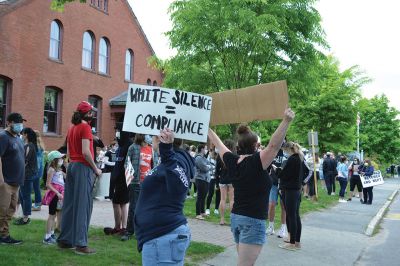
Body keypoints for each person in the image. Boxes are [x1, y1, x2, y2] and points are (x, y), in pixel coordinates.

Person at [208, 108, 295, 265]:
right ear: (255, 145)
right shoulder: (257, 162)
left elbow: (218, 144)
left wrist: (206, 127)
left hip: (237, 218)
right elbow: (274, 146)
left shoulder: (233, 161)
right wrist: (286, 121)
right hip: (252, 221)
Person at [135, 128, 195, 266]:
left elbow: (179, 187)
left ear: (160, 137)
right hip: (160, 237)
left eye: (153, 135)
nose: (150, 138)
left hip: (163, 237)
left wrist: (166, 151)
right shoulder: (171, 160)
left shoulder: (176, 159)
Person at [57, 101, 102, 255]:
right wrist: (96, 169)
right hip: (83, 167)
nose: (93, 114)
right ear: (86, 113)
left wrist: (70, 165)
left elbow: (69, 151)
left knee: (70, 204)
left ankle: (65, 240)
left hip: (73, 166)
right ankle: (81, 245)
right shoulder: (85, 127)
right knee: (84, 205)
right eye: (91, 112)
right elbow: (86, 152)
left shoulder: (72, 128)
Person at [122, 133, 158, 241]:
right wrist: (131, 176)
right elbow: (126, 164)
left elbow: (155, 164)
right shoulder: (133, 148)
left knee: (147, 208)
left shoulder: (152, 149)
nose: (149, 137)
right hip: (136, 183)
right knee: (133, 207)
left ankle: (144, 231)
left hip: (148, 184)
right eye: (147, 135)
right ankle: (129, 232)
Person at [0, 113, 25, 244]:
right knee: (2, 210)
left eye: (21, 122)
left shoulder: (18, 138)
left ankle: (4, 235)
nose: (20, 124)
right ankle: (2, 236)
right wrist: (1, 180)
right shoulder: (3, 137)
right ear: (9, 122)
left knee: (10, 211)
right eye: (17, 122)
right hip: (6, 182)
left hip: (16, 182)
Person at [278, 141, 308, 251]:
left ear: (288, 149)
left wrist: (276, 170)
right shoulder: (300, 158)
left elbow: (283, 174)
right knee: (295, 215)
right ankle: (297, 242)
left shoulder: (292, 159)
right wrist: (301, 183)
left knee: (291, 216)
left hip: (290, 190)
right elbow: (305, 172)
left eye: (284, 151)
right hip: (296, 189)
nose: (284, 153)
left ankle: (292, 243)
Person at [104, 130, 133, 236]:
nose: (116, 139)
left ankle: (118, 227)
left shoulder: (128, 145)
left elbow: (127, 164)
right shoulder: (122, 146)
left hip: (124, 179)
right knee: (123, 203)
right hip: (120, 178)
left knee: (117, 202)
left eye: (118, 136)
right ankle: (123, 227)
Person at [15, 128, 38, 225]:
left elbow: (24, 161)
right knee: (22, 195)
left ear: (26, 135)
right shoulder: (30, 145)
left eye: (22, 134)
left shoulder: (29, 146)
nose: (21, 136)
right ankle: (25, 216)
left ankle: (25, 218)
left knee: (25, 196)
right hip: (26, 174)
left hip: (27, 175)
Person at [42, 151, 66, 244]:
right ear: (54, 160)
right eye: (60, 158)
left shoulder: (59, 170)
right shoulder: (51, 170)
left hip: (59, 195)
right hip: (54, 195)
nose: (61, 160)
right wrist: (57, 193)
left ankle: (51, 234)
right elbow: (48, 184)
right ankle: (47, 237)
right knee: (51, 215)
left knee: (55, 215)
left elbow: (66, 177)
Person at [266, 148, 288, 239]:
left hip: (283, 184)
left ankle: (283, 228)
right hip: (273, 183)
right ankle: (271, 226)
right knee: (271, 205)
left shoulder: (287, 154)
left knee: (283, 206)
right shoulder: (273, 152)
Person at [215, 139, 235, 225]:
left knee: (222, 199)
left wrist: (217, 181)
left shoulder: (220, 155)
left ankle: (222, 219)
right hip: (231, 180)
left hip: (222, 179)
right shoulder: (234, 155)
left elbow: (216, 170)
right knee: (231, 200)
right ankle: (232, 220)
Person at [194, 144, 211, 220]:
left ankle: (202, 212)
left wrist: (208, 166)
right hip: (200, 179)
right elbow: (205, 168)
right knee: (200, 196)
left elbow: (209, 164)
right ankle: (198, 214)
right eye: (205, 149)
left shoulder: (203, 158)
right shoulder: (198, 158)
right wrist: (208, 167)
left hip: (205, 179)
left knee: (204, 196)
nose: (206, 150)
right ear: (202, 149)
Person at [32, 130, 45, 211]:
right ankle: (38, 205)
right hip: (39, 170)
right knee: (37, 188)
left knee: (28, 188)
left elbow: (37, 160)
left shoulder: (34, 146)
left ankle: (32, 205)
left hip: (34, 170)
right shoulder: (41, 145)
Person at [205, 150, 219, 216]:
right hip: (211, 178)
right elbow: (207, 166)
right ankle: (207, 209)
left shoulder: (220, 158)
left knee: (218, 194)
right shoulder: (209, 158)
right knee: (210, 193)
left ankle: (216, 209)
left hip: (218, 178)